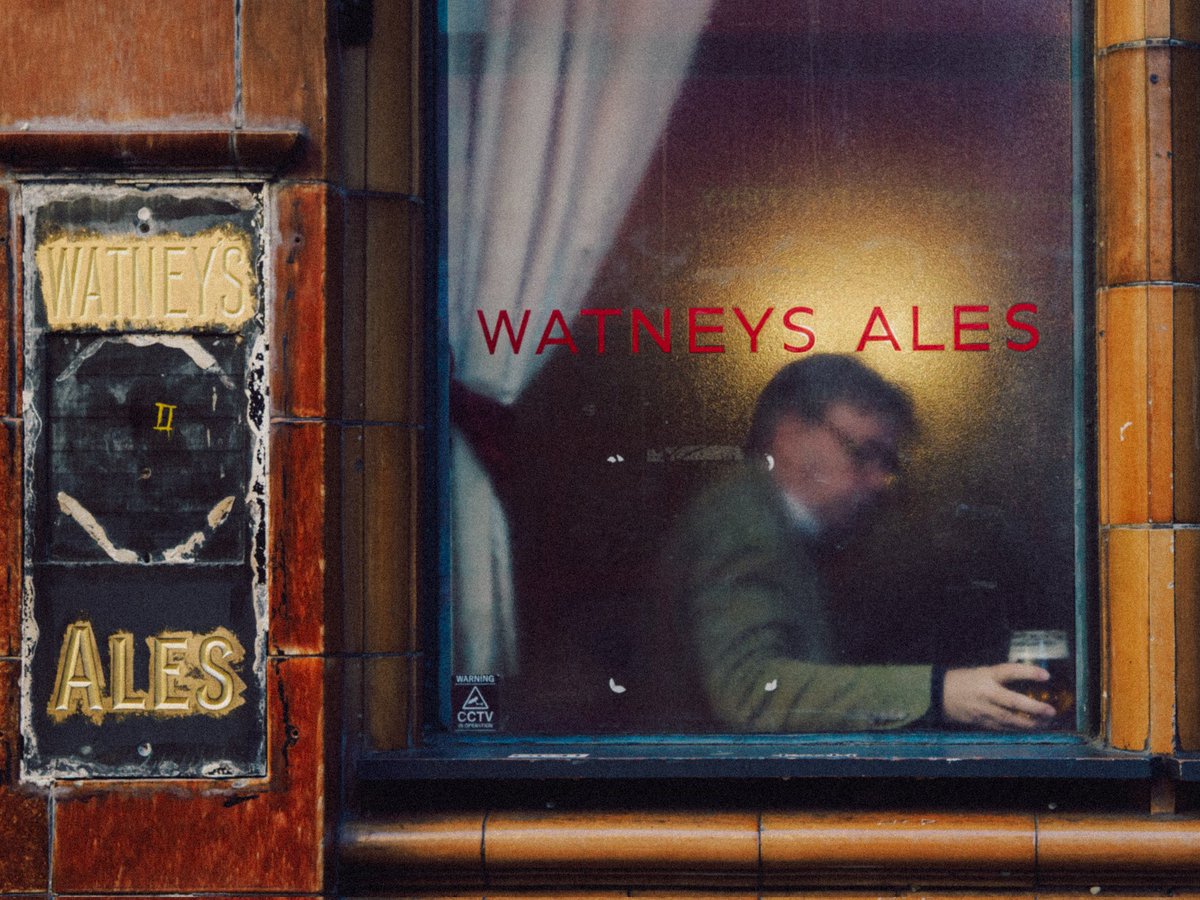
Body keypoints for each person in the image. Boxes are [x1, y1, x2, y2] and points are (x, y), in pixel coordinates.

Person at [661, 354, 1058, 731]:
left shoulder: (778, 524)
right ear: (791, 434)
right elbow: (750, 691)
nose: (880, 480)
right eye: (865, 453)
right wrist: (940, 693)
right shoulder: (741, 521)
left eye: (887, 463)